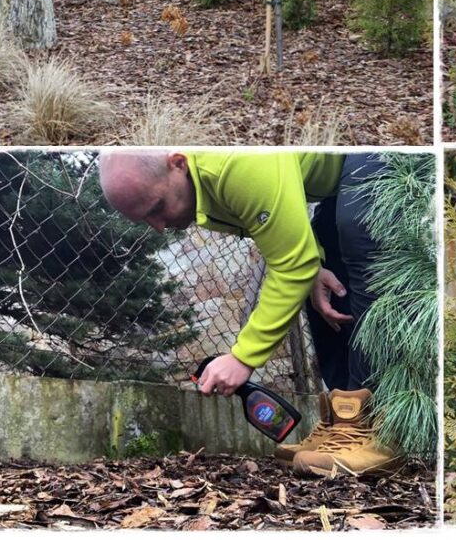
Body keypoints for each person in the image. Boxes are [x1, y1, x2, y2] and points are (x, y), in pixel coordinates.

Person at [98, 150, 399, 476]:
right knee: (326, 275)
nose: (157, 227)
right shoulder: (202, 185)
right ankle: (346, 423)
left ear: (178, 163)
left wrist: (243, 357)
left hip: (374, 157)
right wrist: (314, 265)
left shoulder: (235, 166)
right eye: (143, 219)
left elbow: (291, 265)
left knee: (358, 230)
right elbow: (292, 251)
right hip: (335, 182)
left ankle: (380, 429)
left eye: (156, 208)